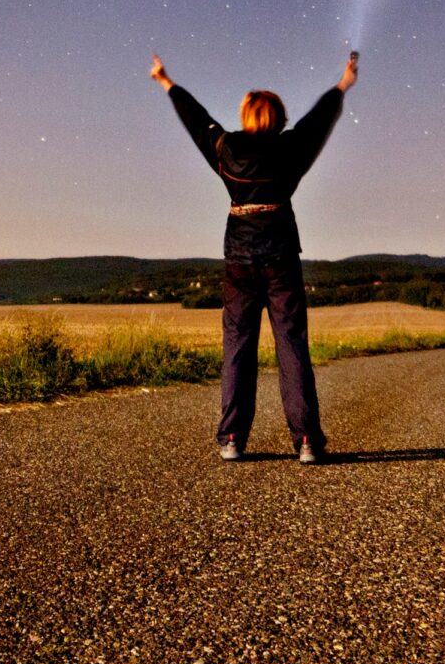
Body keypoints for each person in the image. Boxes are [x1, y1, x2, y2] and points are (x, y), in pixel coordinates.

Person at [148, 48, 359, 464]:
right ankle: (307, 442)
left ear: (246, 117)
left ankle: (231, 439)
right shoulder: (294, 147)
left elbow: (196, 119)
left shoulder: (225, 147)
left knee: (238, 347)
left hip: (239, 260)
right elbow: (319, 120)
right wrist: (342, 86)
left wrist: (167, 82)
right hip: (281, 256)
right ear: (279, 119)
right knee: (292, 347)